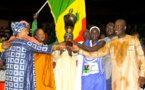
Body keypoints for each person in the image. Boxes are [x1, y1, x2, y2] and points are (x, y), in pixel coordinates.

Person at [72, 19, 145, 90]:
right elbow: (97, 54)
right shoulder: (111, 43)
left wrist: (142, 75)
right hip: (117, 80)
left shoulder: (133, 40)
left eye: (119, 26)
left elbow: (142, 59)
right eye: (115, 26)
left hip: (131, 78)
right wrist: (80, 51)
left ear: (125, 27)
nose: (116, 28)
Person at [0, 22, 66, 90]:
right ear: (19, 32)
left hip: (10, 80)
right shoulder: (25, 43)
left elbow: (1, 59)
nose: (27, 32)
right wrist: (57, 47)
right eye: (25, 30)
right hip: (22, 80)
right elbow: (40, 48)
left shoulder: (9, 44)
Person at [100, 22, 116, 90]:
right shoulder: (101, 41)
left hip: (120, 73)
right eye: (107, 28)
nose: (108, 29)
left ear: (115, 28)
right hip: (106, 73)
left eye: (111, 27)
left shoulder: (122, 40)